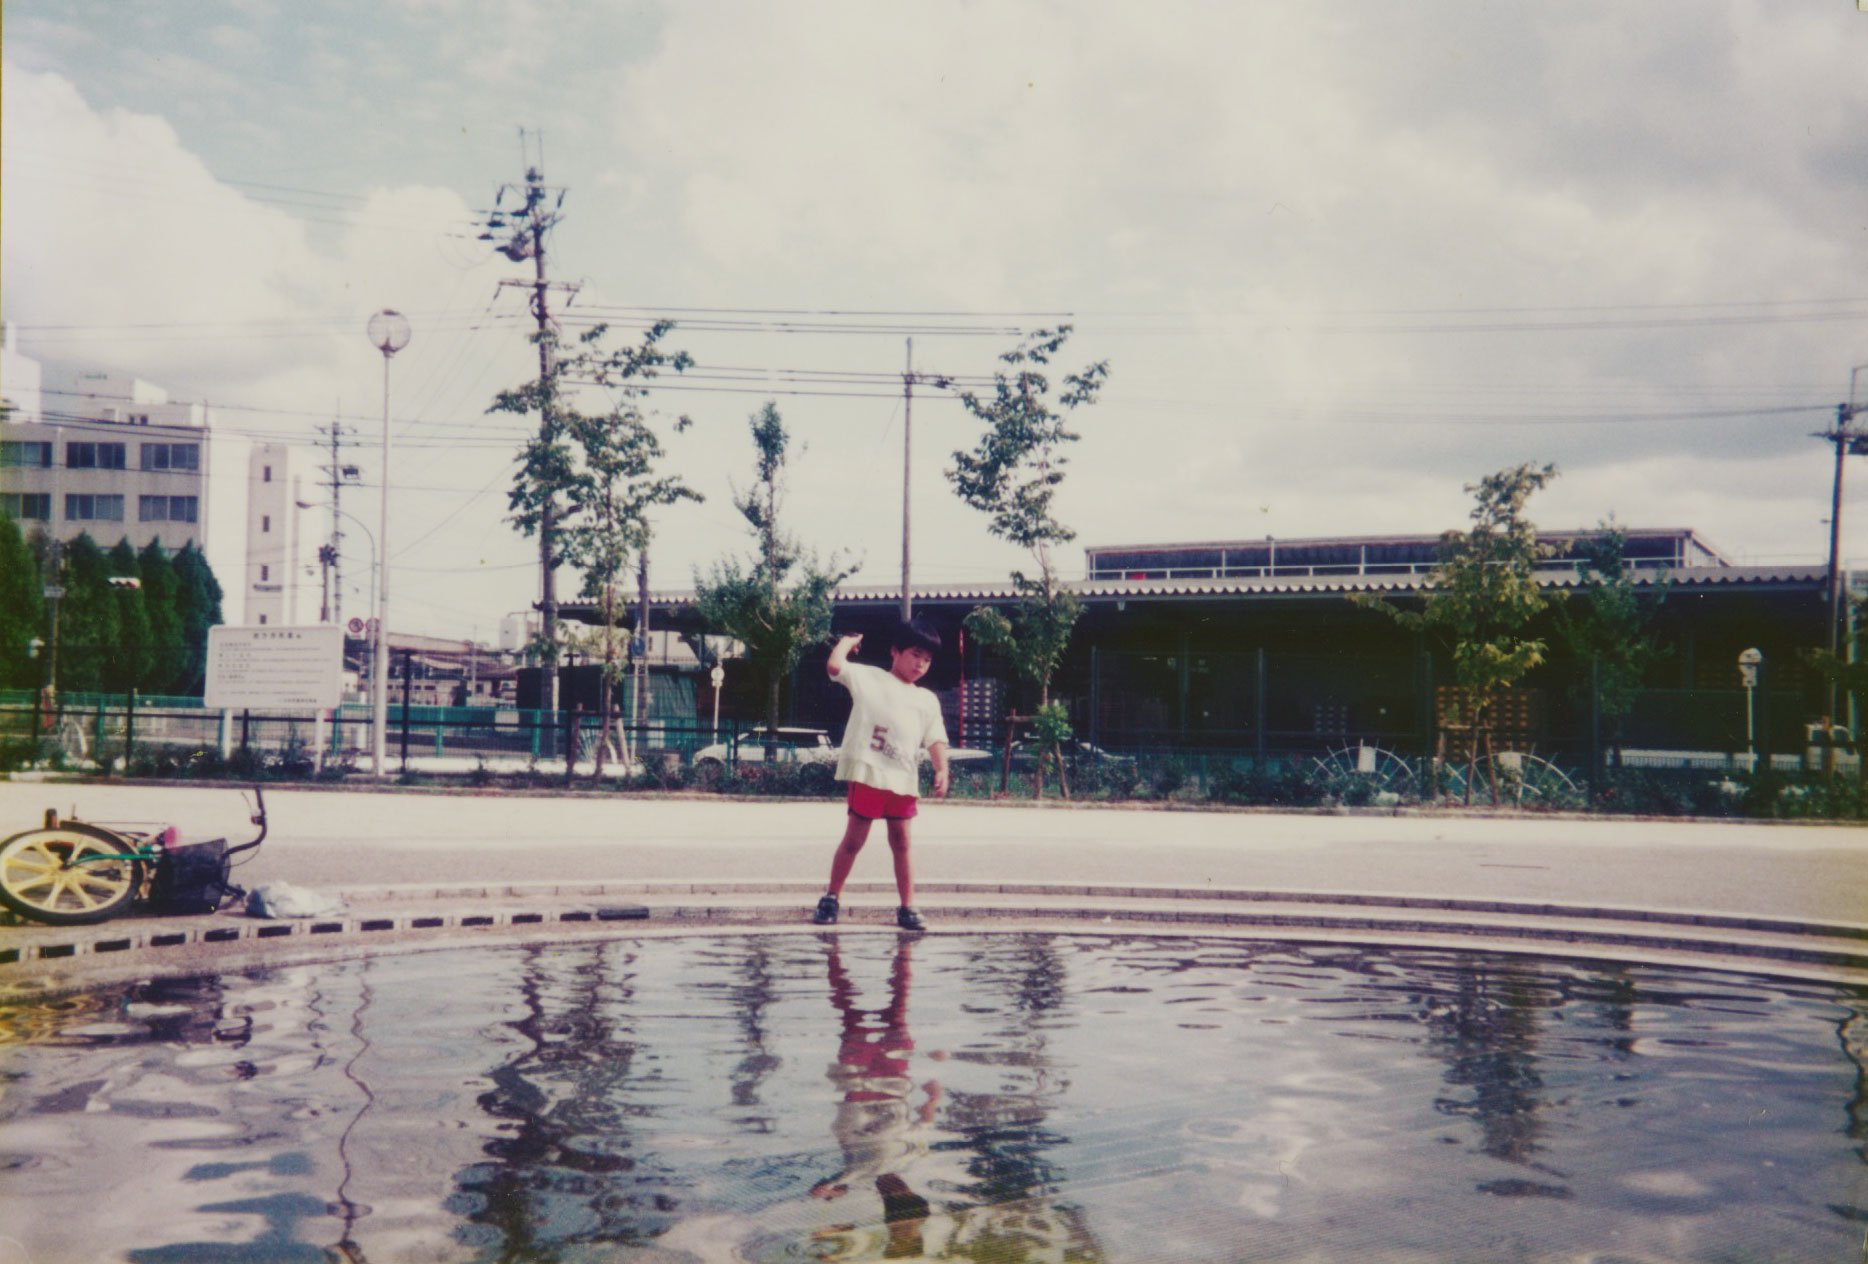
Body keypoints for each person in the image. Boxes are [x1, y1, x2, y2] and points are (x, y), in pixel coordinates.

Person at [813, 620, 950, 931]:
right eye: (915, 655)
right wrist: (848, 642)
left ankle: (907, 907)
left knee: (902, 842)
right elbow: (835, 666)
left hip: (902, 779)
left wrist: (941, 768)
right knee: (854, 840)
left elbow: (935, 738)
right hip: (869, 773)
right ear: (895, 652)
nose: (920, 664)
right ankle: (831, 897)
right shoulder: (869, 678)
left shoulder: (927, 700)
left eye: (927, 659)